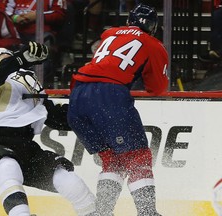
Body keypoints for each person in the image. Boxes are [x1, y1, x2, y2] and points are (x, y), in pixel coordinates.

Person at [0, 41, 98, 216]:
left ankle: (94, 212)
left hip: (25, 144)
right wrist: (21, 57)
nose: (9, 55)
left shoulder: (31, 81)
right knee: (8, 165)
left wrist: (93, 116)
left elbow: (55, 116)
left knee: (64, 176)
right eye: (5, 55)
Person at [67, 3, 168, 216]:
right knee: (138, 157)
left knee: (112, 159)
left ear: (129, 21)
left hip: (77, 95)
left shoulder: (109, 34)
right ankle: (147, 213)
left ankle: (103, 213)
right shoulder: (153, 43)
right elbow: (157, 87)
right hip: (108, 96)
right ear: (153, 26)